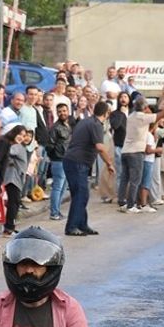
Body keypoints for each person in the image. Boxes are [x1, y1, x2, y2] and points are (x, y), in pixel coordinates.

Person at [62, 101, 112, 236]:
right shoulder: (96, 125)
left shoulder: (86, 121)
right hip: (77, 162)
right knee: (81, 194)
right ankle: (72, 226)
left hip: (74, 162)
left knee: (81, 194)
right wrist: (109, 163)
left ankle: (82, 224)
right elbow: (100, 147)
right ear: (106, 113)